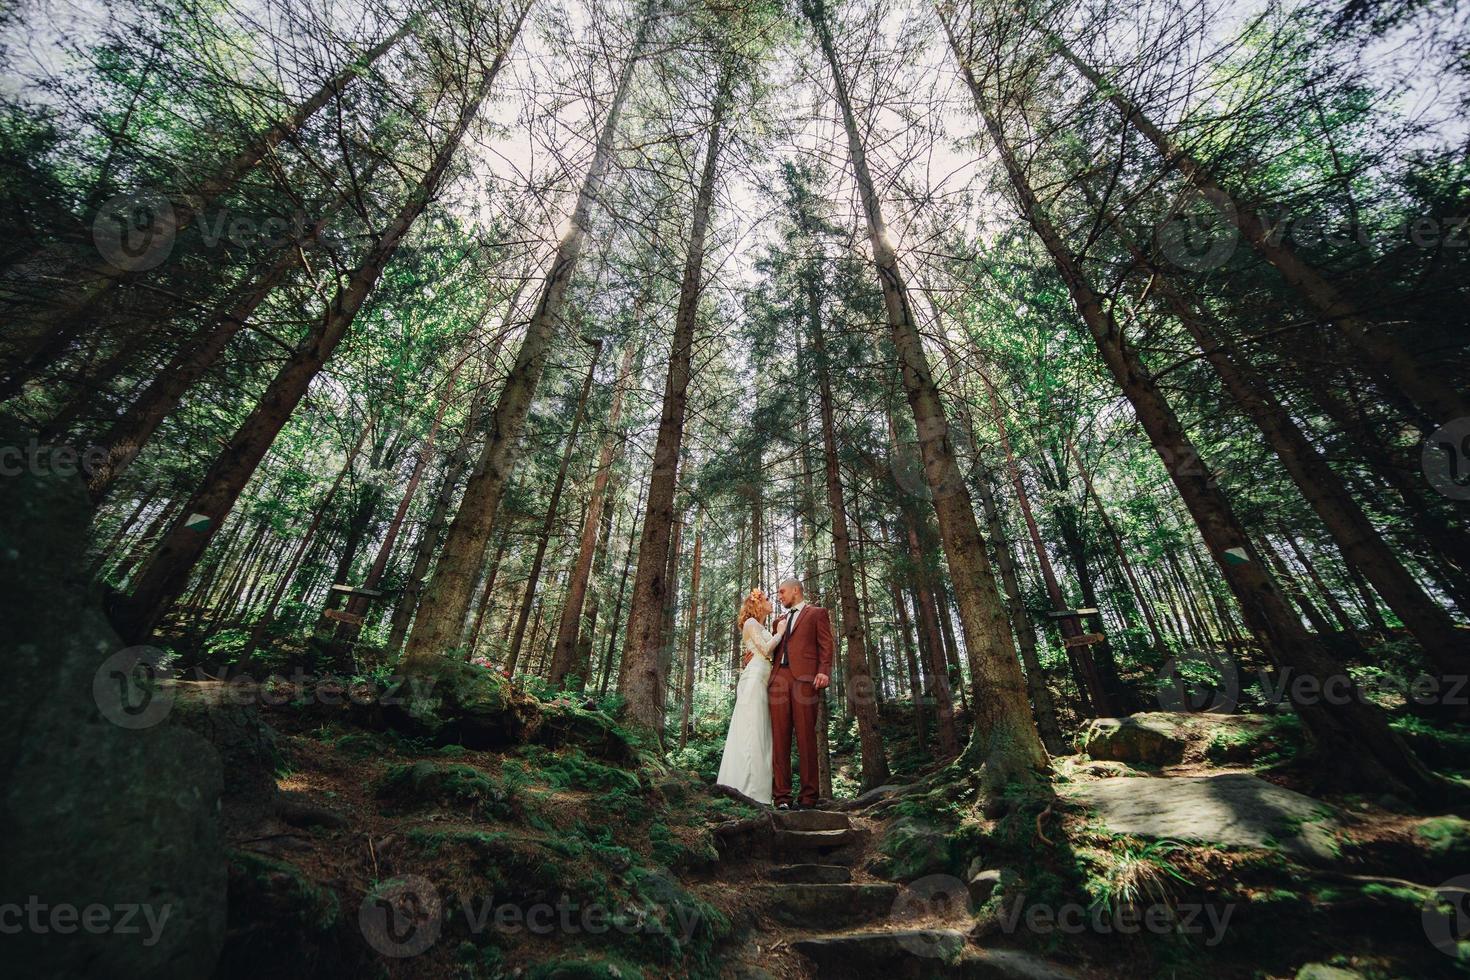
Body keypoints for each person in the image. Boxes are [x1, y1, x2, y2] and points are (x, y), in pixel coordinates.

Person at [767, 575, 832, 810]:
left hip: (805, 679)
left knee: (805, 737)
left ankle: (808, 797)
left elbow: (826, 644)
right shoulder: (778, 621)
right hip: (778, 681)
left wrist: (823, 670)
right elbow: (771, 649)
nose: (779, 596)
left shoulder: (817, 613)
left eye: (782, 591)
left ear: (796, 590)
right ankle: (782, 797)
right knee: (780, 739)